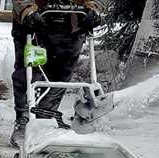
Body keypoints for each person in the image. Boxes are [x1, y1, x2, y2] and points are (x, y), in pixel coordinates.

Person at [10, 0, 103, 147]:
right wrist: (26, 10)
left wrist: (95, 9)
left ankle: (45, 119)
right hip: (33, 24)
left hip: (73, 25)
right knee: (29, 75)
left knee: (60, 78)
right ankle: (24, 120)